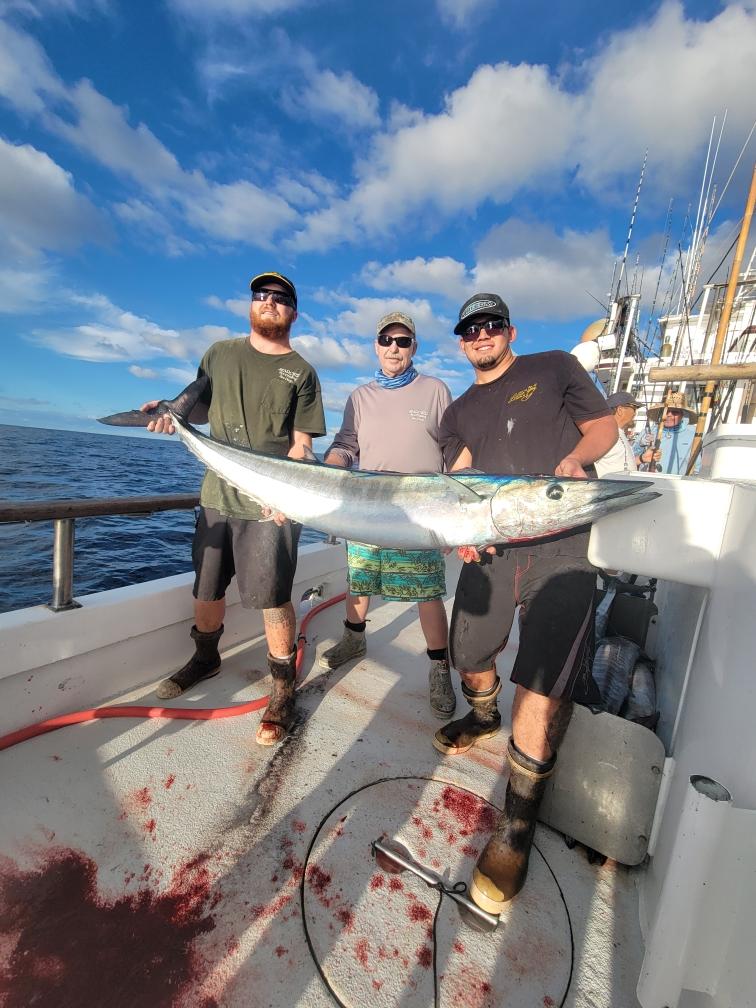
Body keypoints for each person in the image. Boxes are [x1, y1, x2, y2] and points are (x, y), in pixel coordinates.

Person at [435, 292, 618, 916]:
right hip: (493, 549)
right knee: (468, 652)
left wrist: (575, 460)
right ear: (461, 342)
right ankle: (483, 714)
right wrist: (458, 523)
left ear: (510, 331)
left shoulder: (555, 368)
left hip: (560, 541)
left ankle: (514, 830)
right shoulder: (459, 410)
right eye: (469, 329)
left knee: (539, 687)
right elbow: (456, 474)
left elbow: (603, 427)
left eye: (490, 325)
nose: (480, 335)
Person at [141, 271, 326, 746]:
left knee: (272, 594)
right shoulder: (219, 354)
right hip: (217, 495)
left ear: (294, 312)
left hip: (272, 504)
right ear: (250, 304)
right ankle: (205, 658)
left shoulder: (302, 371)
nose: (270, 301)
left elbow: (302, 443)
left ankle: (283, 687)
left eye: (281, 297)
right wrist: (165, 412)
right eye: (262, 294)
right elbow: (195, 405)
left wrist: (292, 488)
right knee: (206, 585)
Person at [320, 312, 456, 718]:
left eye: (403, 341)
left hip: (420, 506)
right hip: (368, 501)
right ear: (376, 345)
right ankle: (355, 638)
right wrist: (328, 470)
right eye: (386, 340)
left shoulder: (435, 390)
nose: (394, 347)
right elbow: (346, 446)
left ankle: (439, 666)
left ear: (414, 347)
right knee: (359, 577)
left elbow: (451, 451)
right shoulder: (359, 397)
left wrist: (451, 520)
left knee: (427, 592)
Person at [639, 390, 698, 474]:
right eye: (666, 411)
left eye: (675, 412)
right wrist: (641, 445)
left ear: (682, 415)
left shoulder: (693, 436)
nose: (669, 415)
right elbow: (631, 457)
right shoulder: (647, 432)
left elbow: (697, 467)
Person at [593, 391, 638, 477]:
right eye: (634, 408)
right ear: (620, 410)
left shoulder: (619, 432)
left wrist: (642, 459)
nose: (635, 413)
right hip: (607, 489)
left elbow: (618, 462)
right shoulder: (604, 433)